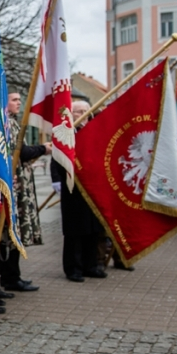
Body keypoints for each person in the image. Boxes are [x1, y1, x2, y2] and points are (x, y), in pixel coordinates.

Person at [0, 91, 47, 293]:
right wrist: (44, 148)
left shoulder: (14, 122)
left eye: (19, 100)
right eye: (14, 100)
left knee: (15, 234)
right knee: (8, 234)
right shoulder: (5, 123)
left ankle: (13, 276)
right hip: (12, 185)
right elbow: (20, 152)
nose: (18, 103)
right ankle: (6, 278)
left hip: (21, 184)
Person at [51, 100, 106, 282]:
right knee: (76, 230)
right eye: (78, 111)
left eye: (85, 111)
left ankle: (90, 265)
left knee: (93, 229)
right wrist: (57, 181)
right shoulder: (65, 134)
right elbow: (56, 159)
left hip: (93, 188)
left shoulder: (94, 133)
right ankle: (73, 268)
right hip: (73, 188)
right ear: (71, 114)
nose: (82, 114)